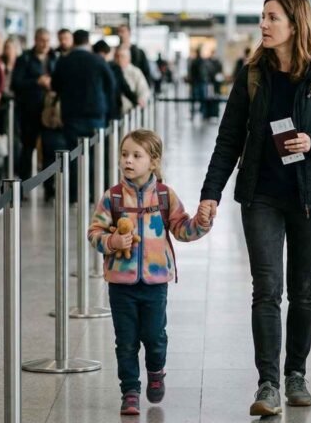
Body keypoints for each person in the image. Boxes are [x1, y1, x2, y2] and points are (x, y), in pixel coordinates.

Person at [197, 0, 311, 417]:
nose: (264, 25)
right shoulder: (252, 75)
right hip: (262, 195)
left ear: (295, 24)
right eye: (263, 18)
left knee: (303, 291)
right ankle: (267, 383)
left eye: (272, 18)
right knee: (267, 289)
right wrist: (210, 194)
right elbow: (229, 139)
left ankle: (296, 375)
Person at [87, 129, 211, 415]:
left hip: (155, 283)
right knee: (125, 340)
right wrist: (112, 241)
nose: (128, 160)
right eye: (124, 154)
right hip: (121, 283)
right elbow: (94, 233)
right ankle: (130, 390)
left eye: (136, 155)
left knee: (155, 336)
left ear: (153, 162)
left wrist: (202, 223)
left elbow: (182, 229)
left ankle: (156, 370)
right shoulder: (113, 197)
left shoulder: (166, 196)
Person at [51, 29, 117, 199]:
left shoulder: (64, 61)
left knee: (73, 155)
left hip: (72, 114)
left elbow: (55, 85)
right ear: (88, 42)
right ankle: (94, 192)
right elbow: (111, 84)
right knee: (96, 154)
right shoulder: (98, 60)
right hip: (96, 113)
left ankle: (75, 194)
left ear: (74, 41)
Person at [11, 28, 57, 193]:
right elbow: (16, 83)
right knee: (27, 148)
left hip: (49, 112)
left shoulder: (54, 58)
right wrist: (37, 81)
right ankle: (23, 187)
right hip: (29, 110)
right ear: (35, 40)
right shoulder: (25, 59)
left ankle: (49, 188)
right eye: (41, 40)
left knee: (49, 150)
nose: (45, 44)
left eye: (47, 40)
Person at [93, 40, 139, 121]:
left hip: (97, 110)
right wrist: (136, 101)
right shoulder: (114, 68)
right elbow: (124, 87)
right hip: (112, 109)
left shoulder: (91, 67)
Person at [116, 47, 152, 115]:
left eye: (122, 56)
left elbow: (143, 89)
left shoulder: (135, 72)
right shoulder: (111, 70)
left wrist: (141, 100)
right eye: (117, 56)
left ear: (129, 58)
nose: (119, 59)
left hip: (130, 112)